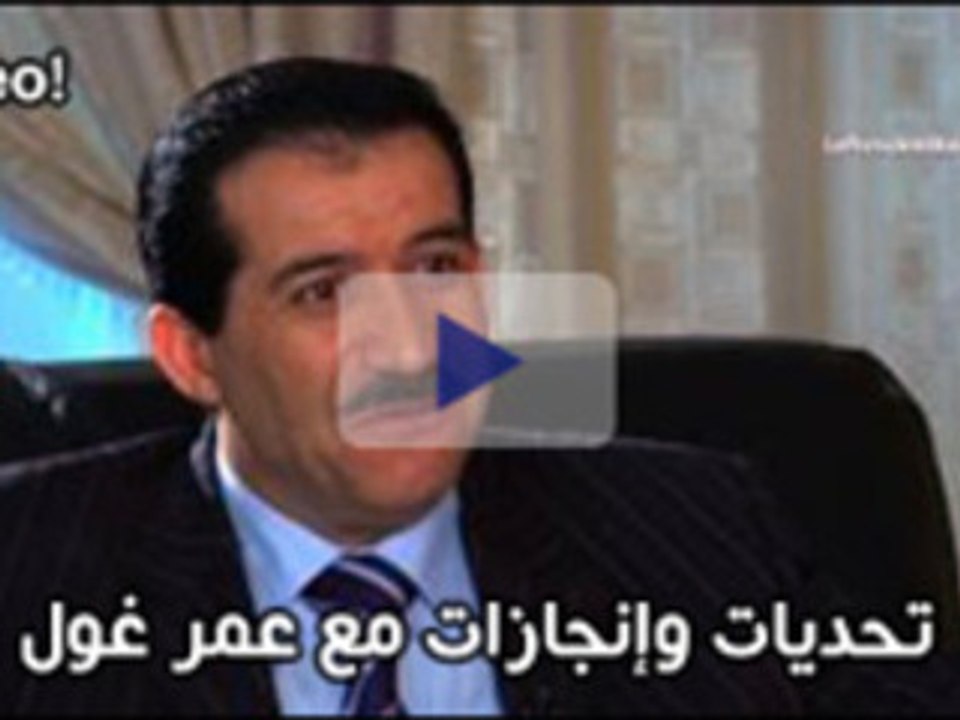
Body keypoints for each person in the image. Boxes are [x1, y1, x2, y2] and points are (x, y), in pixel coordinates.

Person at [0, 56, 956, 716]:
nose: (408, 345)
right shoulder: (30, 572)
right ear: (191, 355)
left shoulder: (694, 529)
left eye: (435, 269)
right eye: (323, 291)